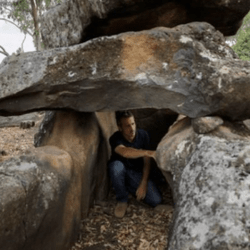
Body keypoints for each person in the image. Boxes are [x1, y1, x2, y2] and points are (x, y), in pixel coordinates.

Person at [108, 111, 163, 218]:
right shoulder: (115, 138)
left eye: (133, 124)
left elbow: (147, 161)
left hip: (136, 173)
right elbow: (125, 152)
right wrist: (147, 152)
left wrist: (143, 183)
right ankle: (122, 199)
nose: (132, 128)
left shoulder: (143, 135)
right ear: (120, 127)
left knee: (156, 200)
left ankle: (129, 187)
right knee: (116, 167)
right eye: (127, 126)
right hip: (121, 171)